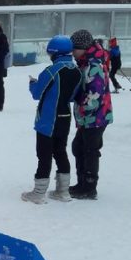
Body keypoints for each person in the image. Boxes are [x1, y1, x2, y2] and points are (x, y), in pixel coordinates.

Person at [21, 36, 82, 204]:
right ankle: (63, 191)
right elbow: (73, 96)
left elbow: (37, 94)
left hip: (47, 119)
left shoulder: (51, 71)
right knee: (60, 152)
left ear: (53, 52)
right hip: (65, 117)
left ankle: (39, 193)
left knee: (44, 155)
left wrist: (33, 83)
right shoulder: (77, 72)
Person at [69, 29, 113, 200]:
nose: (72, 53)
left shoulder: (93, 65)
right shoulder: (85, 62)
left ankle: (89, 186)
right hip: (87, 117)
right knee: (78, 147)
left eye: (74, 49)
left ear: (83, 48)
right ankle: (82, 183)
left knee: (90, 150)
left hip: (96, 116)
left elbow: (94, 95)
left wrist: (79, 101)